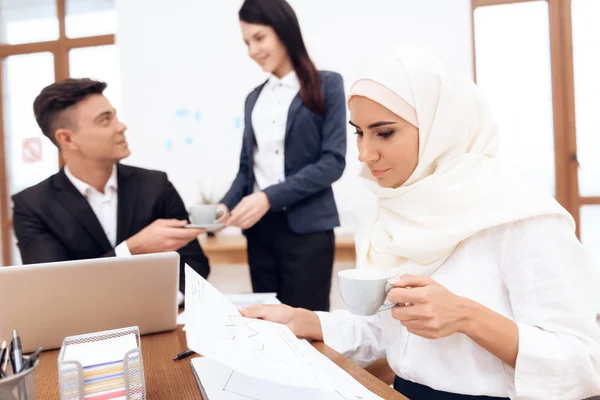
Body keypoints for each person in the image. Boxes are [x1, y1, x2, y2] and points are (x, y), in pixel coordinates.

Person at [239, 45, 600, 399]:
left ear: (437, 126)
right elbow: (389, 332)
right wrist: (307, 321)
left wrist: (469, 318)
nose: (364, 154)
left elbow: (584, 364)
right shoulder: (394, 209)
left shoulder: (518, 213)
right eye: (359, 132)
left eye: (384, 132)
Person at [12, 78, 210, 296]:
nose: (121, 127)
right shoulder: (32, 206)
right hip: (81, 328)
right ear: (67, 138)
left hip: (161, 322)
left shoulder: (156, 185)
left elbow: (194, 265)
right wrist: (130, 250)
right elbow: (53, 286)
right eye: (105, 120)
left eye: (115, 115)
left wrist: (167, 303)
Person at [218, 0, 347, 311]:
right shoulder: (253, 99)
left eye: (259, 38)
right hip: (259, 233)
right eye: (247, 42)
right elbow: (247, 172)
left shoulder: (327, 84)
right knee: (267, 330)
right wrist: (223, 206)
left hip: (308, 232)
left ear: (284, 31)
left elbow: (333, 162)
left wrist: (269, 197)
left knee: (308, 329)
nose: (252, 50)